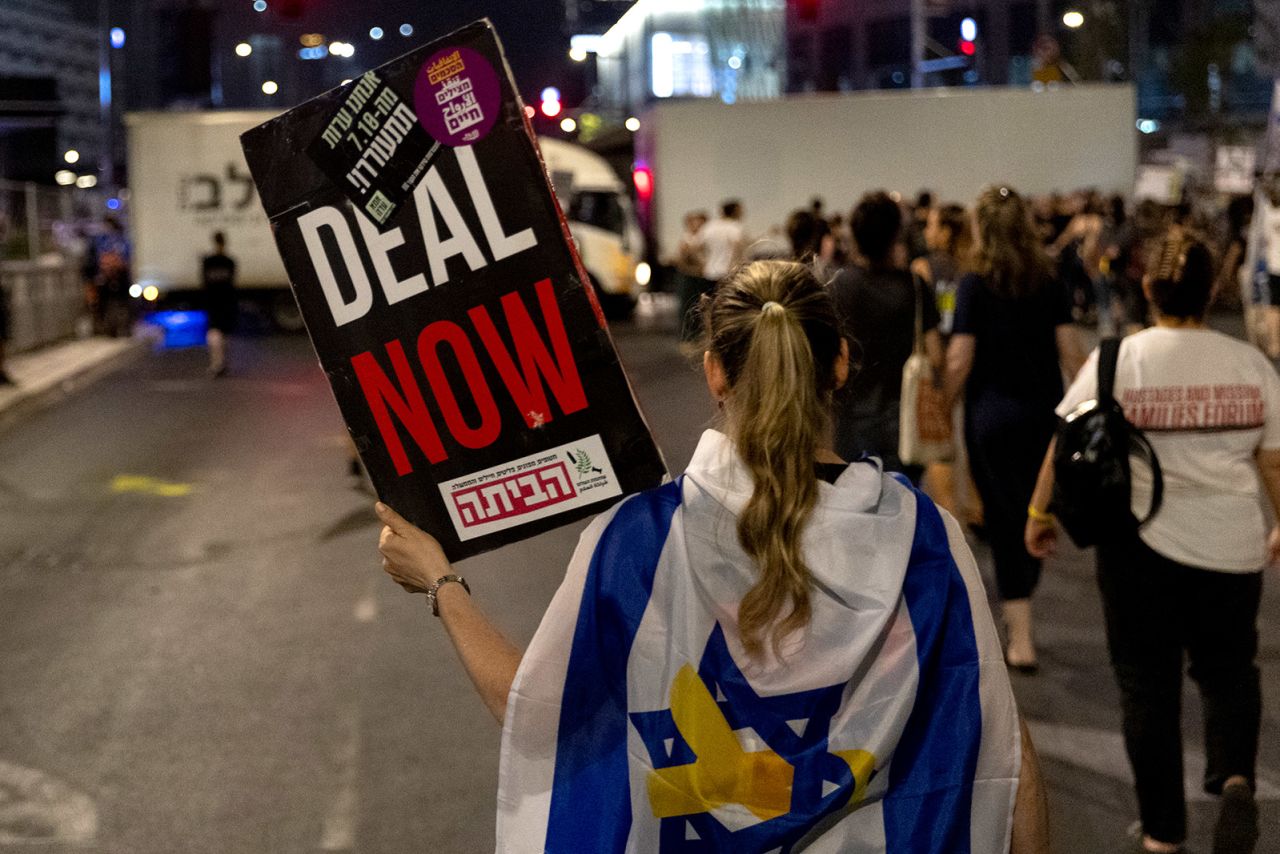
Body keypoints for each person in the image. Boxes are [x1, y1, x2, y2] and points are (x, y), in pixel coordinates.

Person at [376, 260, 1049, 853]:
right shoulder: (926, 537)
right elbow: (1002, 749)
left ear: (715, 371)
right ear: (840, 362)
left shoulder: (640, 541)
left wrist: (442, 583)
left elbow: (534, 707)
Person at [1027, 230, 1276, 854]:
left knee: (1147, 686)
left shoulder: (1117, 360)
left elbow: (1065, 445)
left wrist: (1039, 513)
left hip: (1140, 547)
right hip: (1233, 543)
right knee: (1229, 671)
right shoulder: (1249, 363)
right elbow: (1273, 463)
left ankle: (1164, 832)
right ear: (1214, 288)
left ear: (1146, 287)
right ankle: (1237, 776)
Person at [942, 186, 1085, 673]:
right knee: (1036, 510)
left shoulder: (974, 284)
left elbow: (960, 357)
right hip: (1044, 417)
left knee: (1004, 523)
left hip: (990, 418)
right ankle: (1023, 599)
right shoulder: (1049, 281)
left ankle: (1020, 636)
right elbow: (1071, 352)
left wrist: (942, 405)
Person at [830, 191, 943, 478]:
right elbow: (936, 354)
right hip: (905, 418)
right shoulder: (915, 287)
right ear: (897, 236)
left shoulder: (840, 286)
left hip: (851, 416)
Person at [202, 231, 237, 377]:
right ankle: (222, 362)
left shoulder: (207, 262)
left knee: (214, 333)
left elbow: (204, 282)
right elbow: (232, 282)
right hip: (227, 300)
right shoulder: (229, 262)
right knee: (225, 333)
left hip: (213, 300)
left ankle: (217, 363)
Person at [671, 210, 710, 342]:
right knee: (688, 306)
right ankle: (688, 336)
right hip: (689, 278)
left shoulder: (703, 239)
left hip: (701, 277)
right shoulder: (687, 239)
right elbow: (682, 262)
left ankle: (700, 334)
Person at [699, 200, 746, 283]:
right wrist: (734, 266)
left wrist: (703, 263)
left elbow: (698, 247)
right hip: (727, 271)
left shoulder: (709, 226)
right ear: (735, 211)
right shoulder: (734, 227)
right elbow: (737, 247)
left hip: (709, 271)